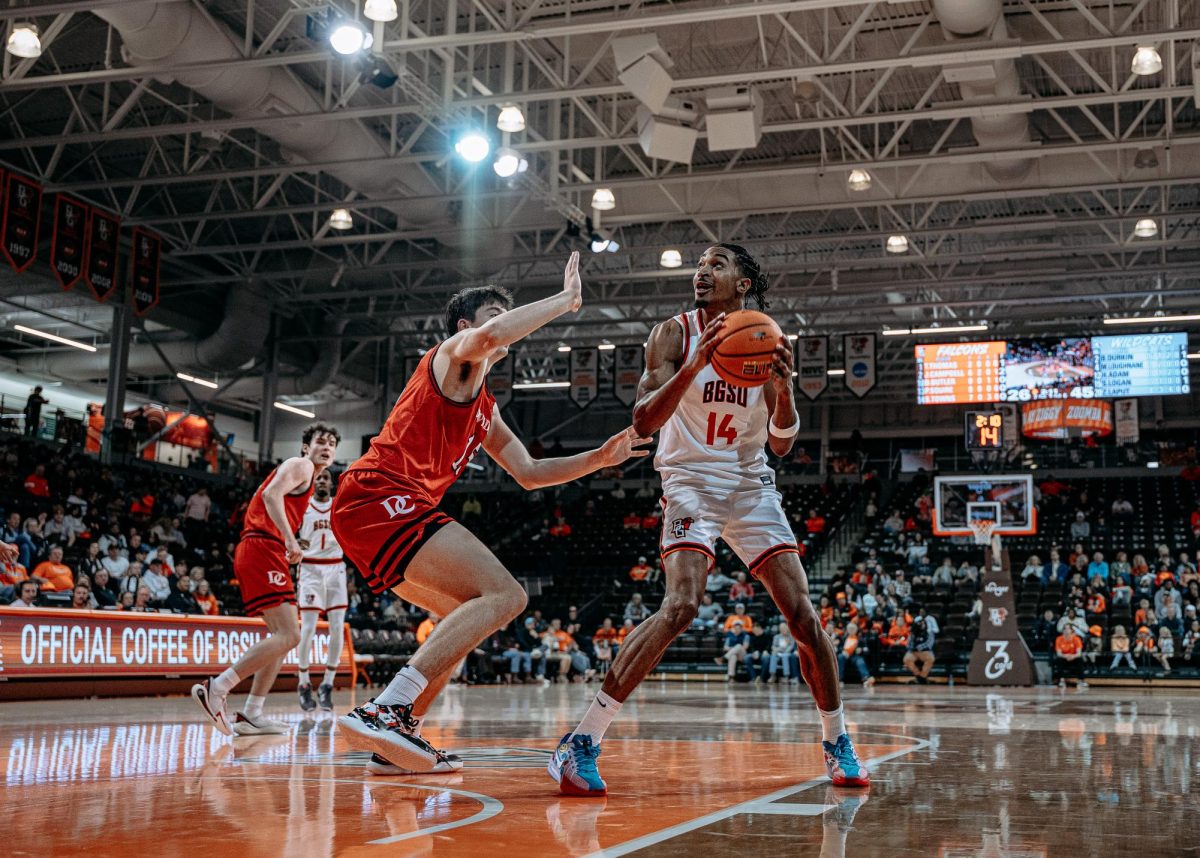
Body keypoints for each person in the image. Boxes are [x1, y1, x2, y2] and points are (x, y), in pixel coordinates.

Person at [553, 244, 869, 797]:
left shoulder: (766, 340)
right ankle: (582, 740)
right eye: (699, 264)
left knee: (803, 617)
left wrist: (785, 391)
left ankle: (836, 739)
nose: (702, 271)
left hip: (749, 483)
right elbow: (644, 421)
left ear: (743, 284)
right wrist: (696, 365)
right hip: (689, 481)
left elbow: (783, 442)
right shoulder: (672, 335)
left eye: (717, 264)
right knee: (681, 606)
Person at [331, 254, 650, 777]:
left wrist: (600, 457)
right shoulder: (450, 358)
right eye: (498, 315)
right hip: (380, 495)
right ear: (466, 326)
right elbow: (491, 334)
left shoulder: (485, 407)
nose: (507, 325)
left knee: (462, 623)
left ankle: (394, 738)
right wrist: (565, 301)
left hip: (379, 509)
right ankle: (384, 709)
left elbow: (529, 471)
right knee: (507, 595)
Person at [191, 423, 340, 737]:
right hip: (262, 548)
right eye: (319, 441)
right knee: (290, 636)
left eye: (331, 443)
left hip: (266, 547)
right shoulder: (301, 465)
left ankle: (253, 713)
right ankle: (216, 688)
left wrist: (292, 541)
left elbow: (274, 503)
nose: (326, 447)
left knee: (283, 638)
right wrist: (289, 540)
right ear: (305, 447)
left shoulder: (308, 477)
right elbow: (271, 495)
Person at [293, 469, 348, 713]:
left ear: (331, 483)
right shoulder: (302, 506)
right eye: (319, 478)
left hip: (335, 568)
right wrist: (293, 541)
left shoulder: (339, 505)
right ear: (313, 483)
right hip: (311, 569)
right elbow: (287, 529)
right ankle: (304, 683)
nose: (322, 481)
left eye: (326, 478)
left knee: (337, 629)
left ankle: (327, 683)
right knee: (308, 628)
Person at [903, 616, 935, 683]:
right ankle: (918, 675)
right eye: (920, 623)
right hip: (914, 652)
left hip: (925, 651)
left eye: (923, 623)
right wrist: (912, 647)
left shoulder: (929, 632)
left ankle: (923, 676)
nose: (921, 624)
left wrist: (920, 647)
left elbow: (930, 644)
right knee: (906, 659)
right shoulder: (913, 633)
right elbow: (908, 644)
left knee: (931, 658)